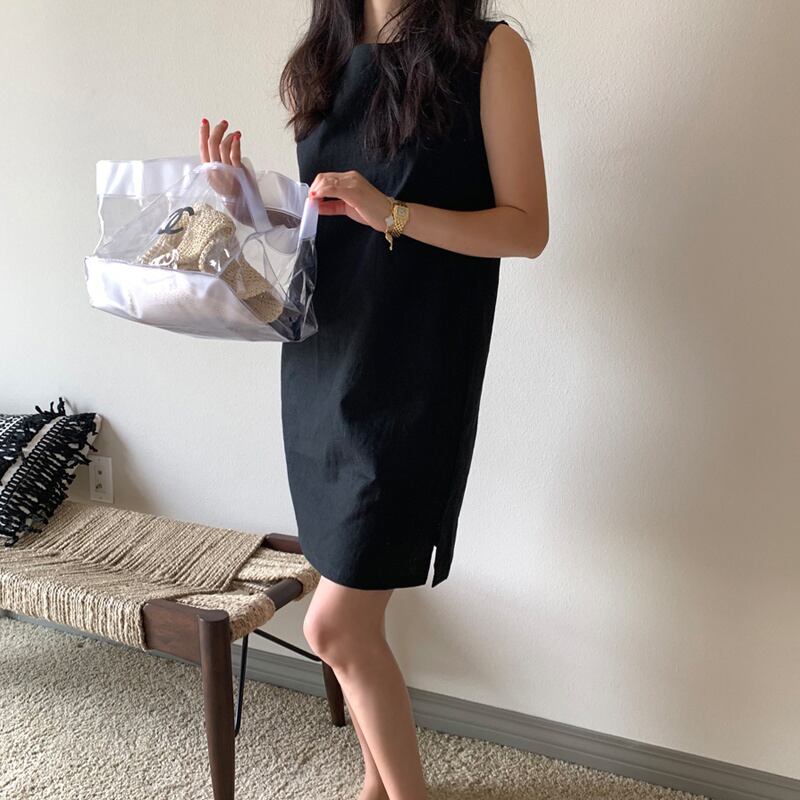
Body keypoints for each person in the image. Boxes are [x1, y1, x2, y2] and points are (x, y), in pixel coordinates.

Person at [198, 2, 547, 797]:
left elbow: (526, 228)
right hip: (323, 359)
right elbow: (321, 231)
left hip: (415, 368)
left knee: (333, 625)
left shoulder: (489, 54)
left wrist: (391, 211)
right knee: (347, 592)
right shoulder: (319, 59)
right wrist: (246, 204)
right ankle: (375, 783)